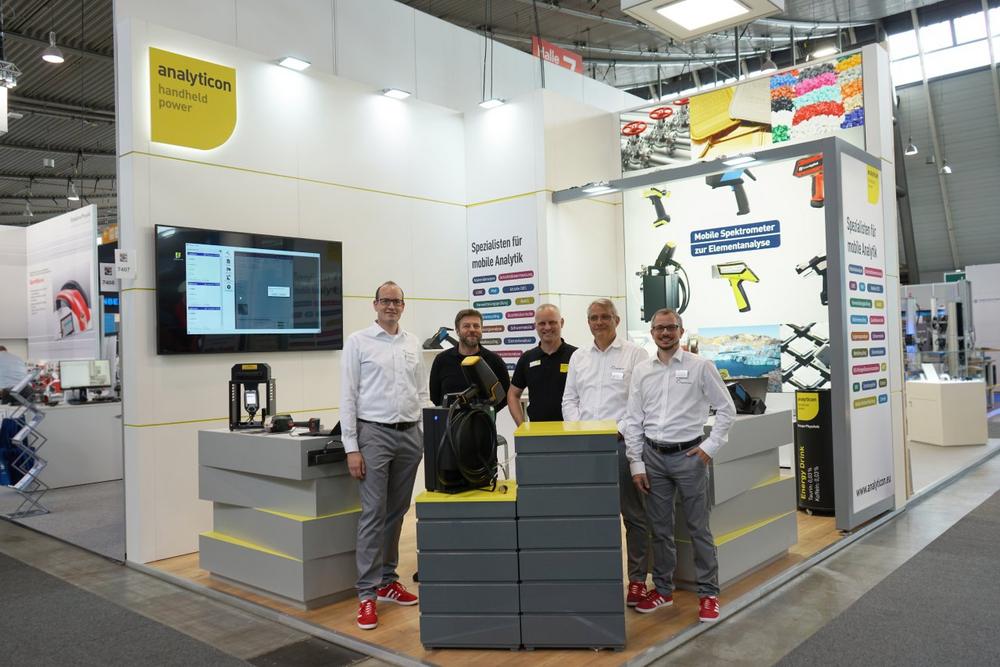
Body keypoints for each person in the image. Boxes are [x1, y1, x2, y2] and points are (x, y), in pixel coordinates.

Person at [623, 308, 736, 623]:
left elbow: (726, 409)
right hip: (653, 458)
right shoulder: (642, 371)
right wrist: (636, 463)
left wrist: (709, 448)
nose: (665, 333)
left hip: (690, 457)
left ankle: (709, 594)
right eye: (659, 328)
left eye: (670, 327)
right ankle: (663, 590)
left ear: (681, 331)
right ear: (652, 333)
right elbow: (633, 419)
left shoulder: (701, 366)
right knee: (660, 530)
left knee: (699, 528)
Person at [341, 281, 428, 631]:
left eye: (397, 301)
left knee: (396, 512)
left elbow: (421, 391)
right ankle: (366, 594)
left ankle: (387, 581)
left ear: (403, 306)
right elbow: (348, 395)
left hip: (409, 435)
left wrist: (423, 432)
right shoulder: (358, 342)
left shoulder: (411, 343)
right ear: (375, 304)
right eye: (385, 301)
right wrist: (351, 447)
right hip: (373, 434)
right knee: (373, 513)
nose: (391, 306)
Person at [561, 299, 650, 607]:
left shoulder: (635, 355)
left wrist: (618, 430)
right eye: (593, 318)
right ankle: (598, 576)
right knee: (592, 515)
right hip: (586, 447)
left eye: (604, 317)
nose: (599, 322)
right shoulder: (579, 357)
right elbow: (569, 399)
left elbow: (639, 402)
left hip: (622, 443)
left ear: (617, 320)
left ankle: (637, 580)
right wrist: (580, 429)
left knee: (634, 515)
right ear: (588, 322)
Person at [507, 304, 576, 424]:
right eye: (542, 323)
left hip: (571, 430)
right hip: (537, 431)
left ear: (562, 323)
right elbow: (513, 394)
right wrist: (522, 426)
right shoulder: (527, 358)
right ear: (536, 326)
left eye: (552, 322)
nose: (547, 327)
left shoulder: (576, 356)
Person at [428, 308, 510, 410]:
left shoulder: (495, 361)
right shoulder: (441, 360)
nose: (472, 330)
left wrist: (487, 413)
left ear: (481, 329)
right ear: (457, 331)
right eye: (466, 326)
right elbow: (435, 397)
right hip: (449, 420)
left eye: (476, 326)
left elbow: (505, 396)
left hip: (484, 420)